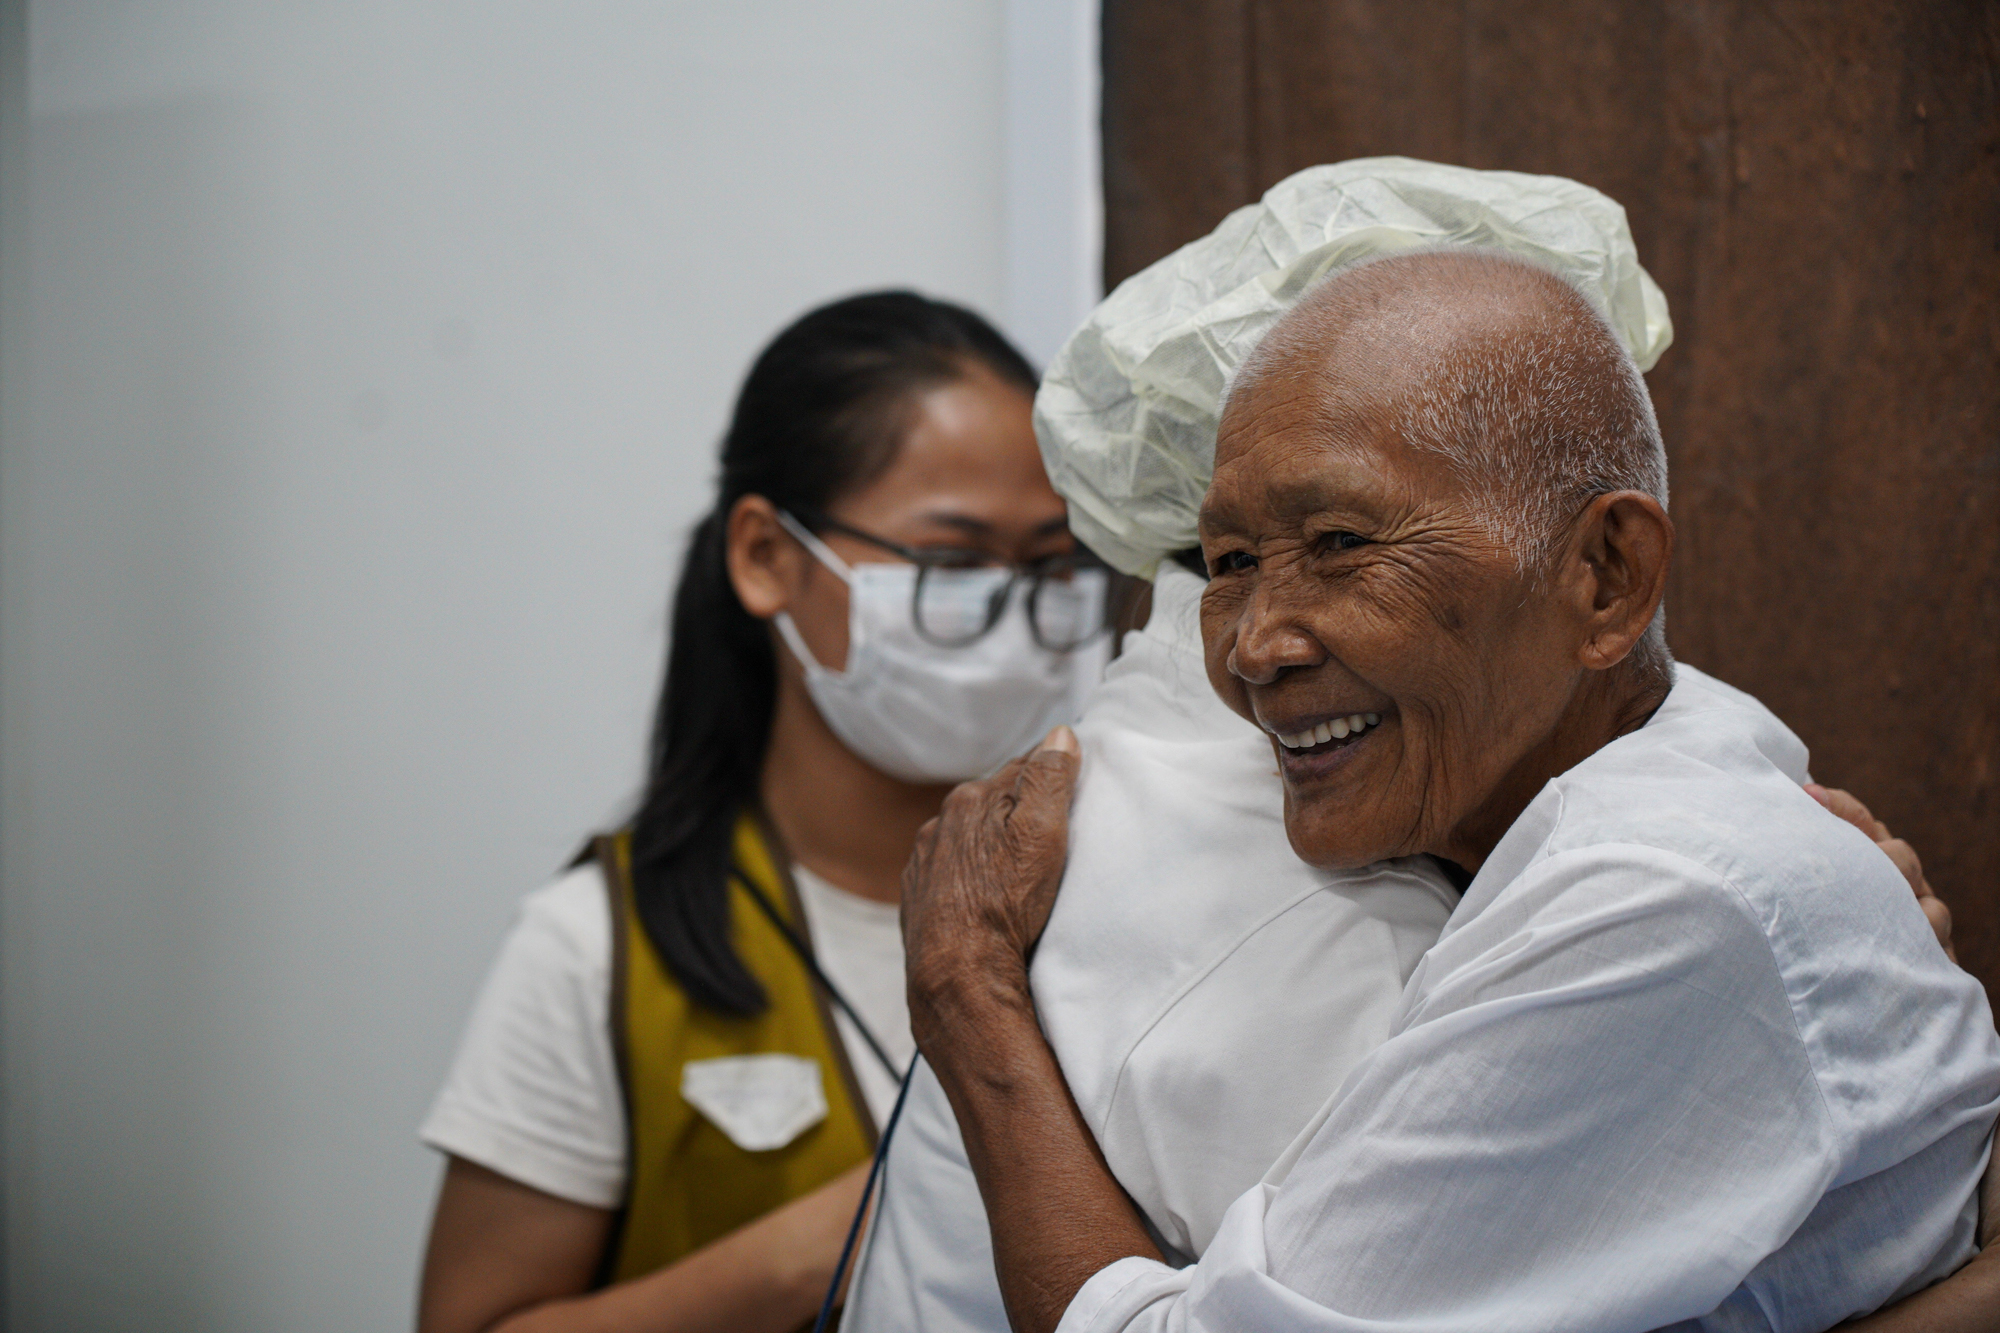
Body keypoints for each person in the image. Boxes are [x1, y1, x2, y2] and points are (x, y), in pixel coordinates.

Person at [845, 160, 1973, 1333]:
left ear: (1602, 574)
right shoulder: (1391, 841)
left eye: (1341, 541)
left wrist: (967, 998)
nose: (1257, 646)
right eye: (1232, 561)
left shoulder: (1641, 878)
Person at [414, 290, 1110, 1333]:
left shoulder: (1108, 896)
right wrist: (827, 1244)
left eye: (1052, 565)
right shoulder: (601, 950)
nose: (1012, 613)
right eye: (951, 561)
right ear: (765, 556)